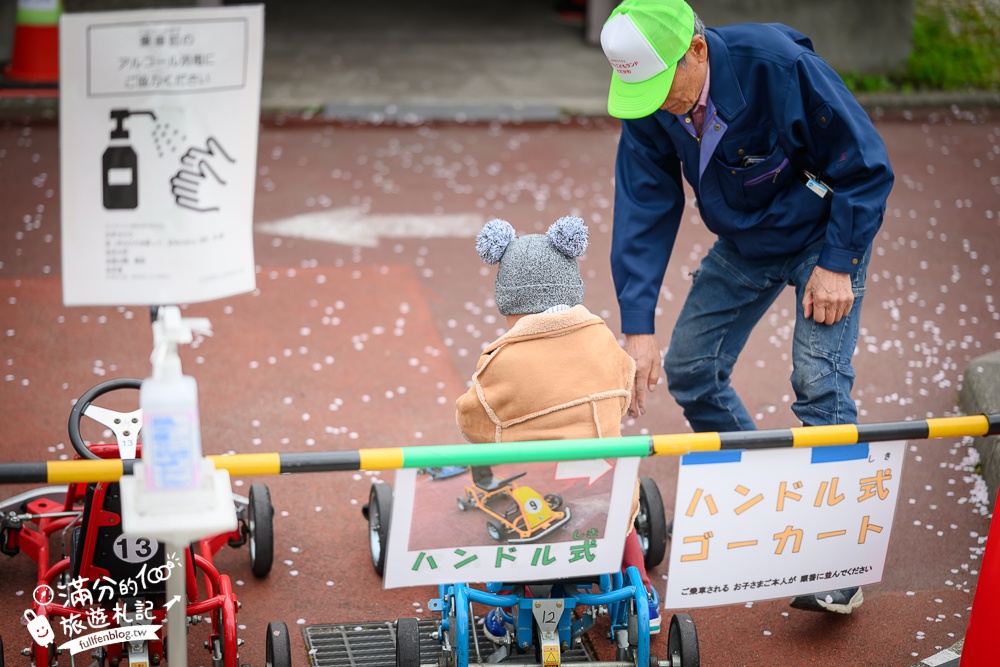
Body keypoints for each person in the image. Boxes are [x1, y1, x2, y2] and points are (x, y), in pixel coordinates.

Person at [599, 0, 894, 614]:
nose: (655, 103)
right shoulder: (652, 106)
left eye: (662, 85)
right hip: (748, 240)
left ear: (698, 52)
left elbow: (865, 167)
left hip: (825, 236)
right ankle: (766, 498)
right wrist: (637, 326)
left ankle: (835, 563)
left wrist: (838, 263)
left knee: (818, 383)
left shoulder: (777, 65)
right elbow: (644, 204)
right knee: (690, 369)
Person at [455, 215, 661, 632]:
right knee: (622, 519)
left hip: (540, 492)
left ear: (510, 306)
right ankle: (642, 592)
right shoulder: (602, 341)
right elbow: (622, 392)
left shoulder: (503, 359)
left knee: (508, 512)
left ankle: (510, 605)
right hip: (603, 491)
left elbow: (472, 421)